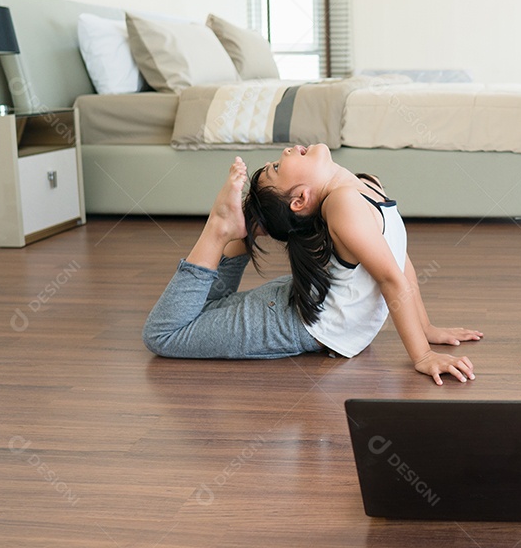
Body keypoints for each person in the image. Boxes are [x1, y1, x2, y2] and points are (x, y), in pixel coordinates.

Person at [143, 147, 482, 385]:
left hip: (299, 307)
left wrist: (426, 328)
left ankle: (235, 233)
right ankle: (221, 230)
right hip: (289, 320)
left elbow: (398, 263)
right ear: (300, 199)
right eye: (278, 166)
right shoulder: (347, 201)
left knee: (197, 313)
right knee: (165, 334)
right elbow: (392, 279)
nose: (287, 152)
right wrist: (422, 355)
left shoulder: (365, 186)